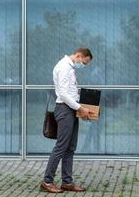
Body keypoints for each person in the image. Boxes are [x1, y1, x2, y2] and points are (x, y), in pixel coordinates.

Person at [40, 48, 93, 193]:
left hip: (72, 109)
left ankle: (67, 182)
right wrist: (80, 108)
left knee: (70, 147)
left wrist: (81, 107)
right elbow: (63, 93)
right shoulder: (63, 66)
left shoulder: (70, 67)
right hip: (64, 110)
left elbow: (71, 91)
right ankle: (47, 181)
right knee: (61, 146)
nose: (84, 65)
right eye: (84, 62)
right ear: (78, 55)